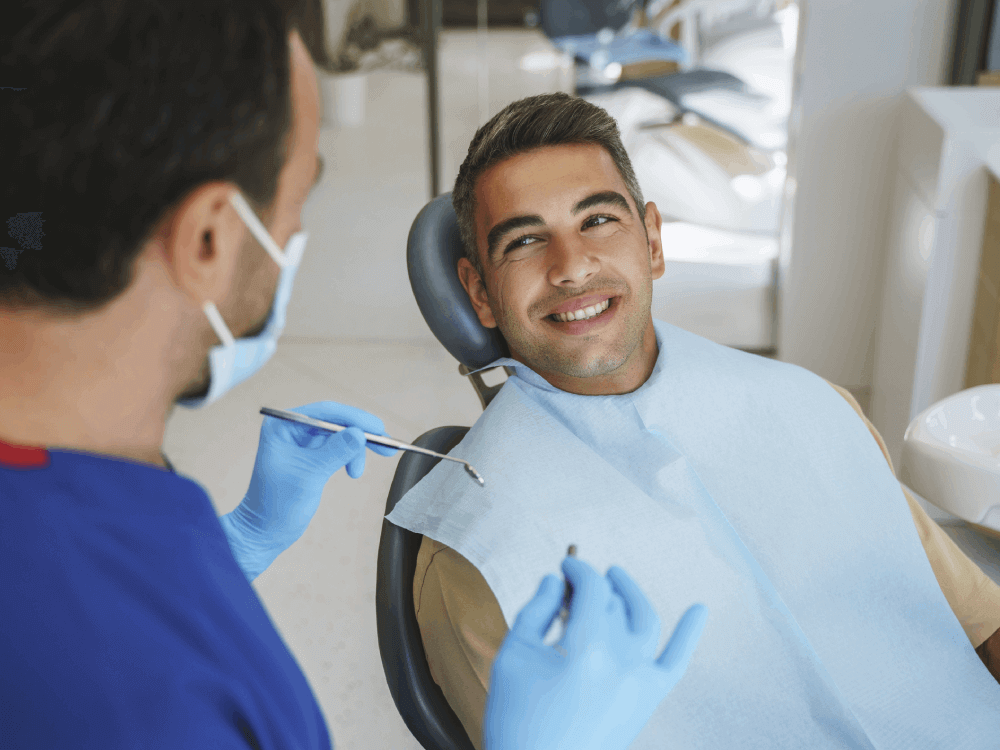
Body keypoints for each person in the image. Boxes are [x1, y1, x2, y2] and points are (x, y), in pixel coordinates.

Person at [0, 3, 707, 748]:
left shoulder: (88, 486)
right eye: (298, 200)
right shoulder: (153, 708)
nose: (298, 234)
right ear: (210, 239)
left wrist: (234, 547)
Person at [386, 92, 1000, 749]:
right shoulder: (478, 560)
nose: (572, 267)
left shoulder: (814, 408)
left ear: (651, 241)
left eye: (597, 220)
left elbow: (982, 624)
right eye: (527, 240)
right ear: (480, 292)